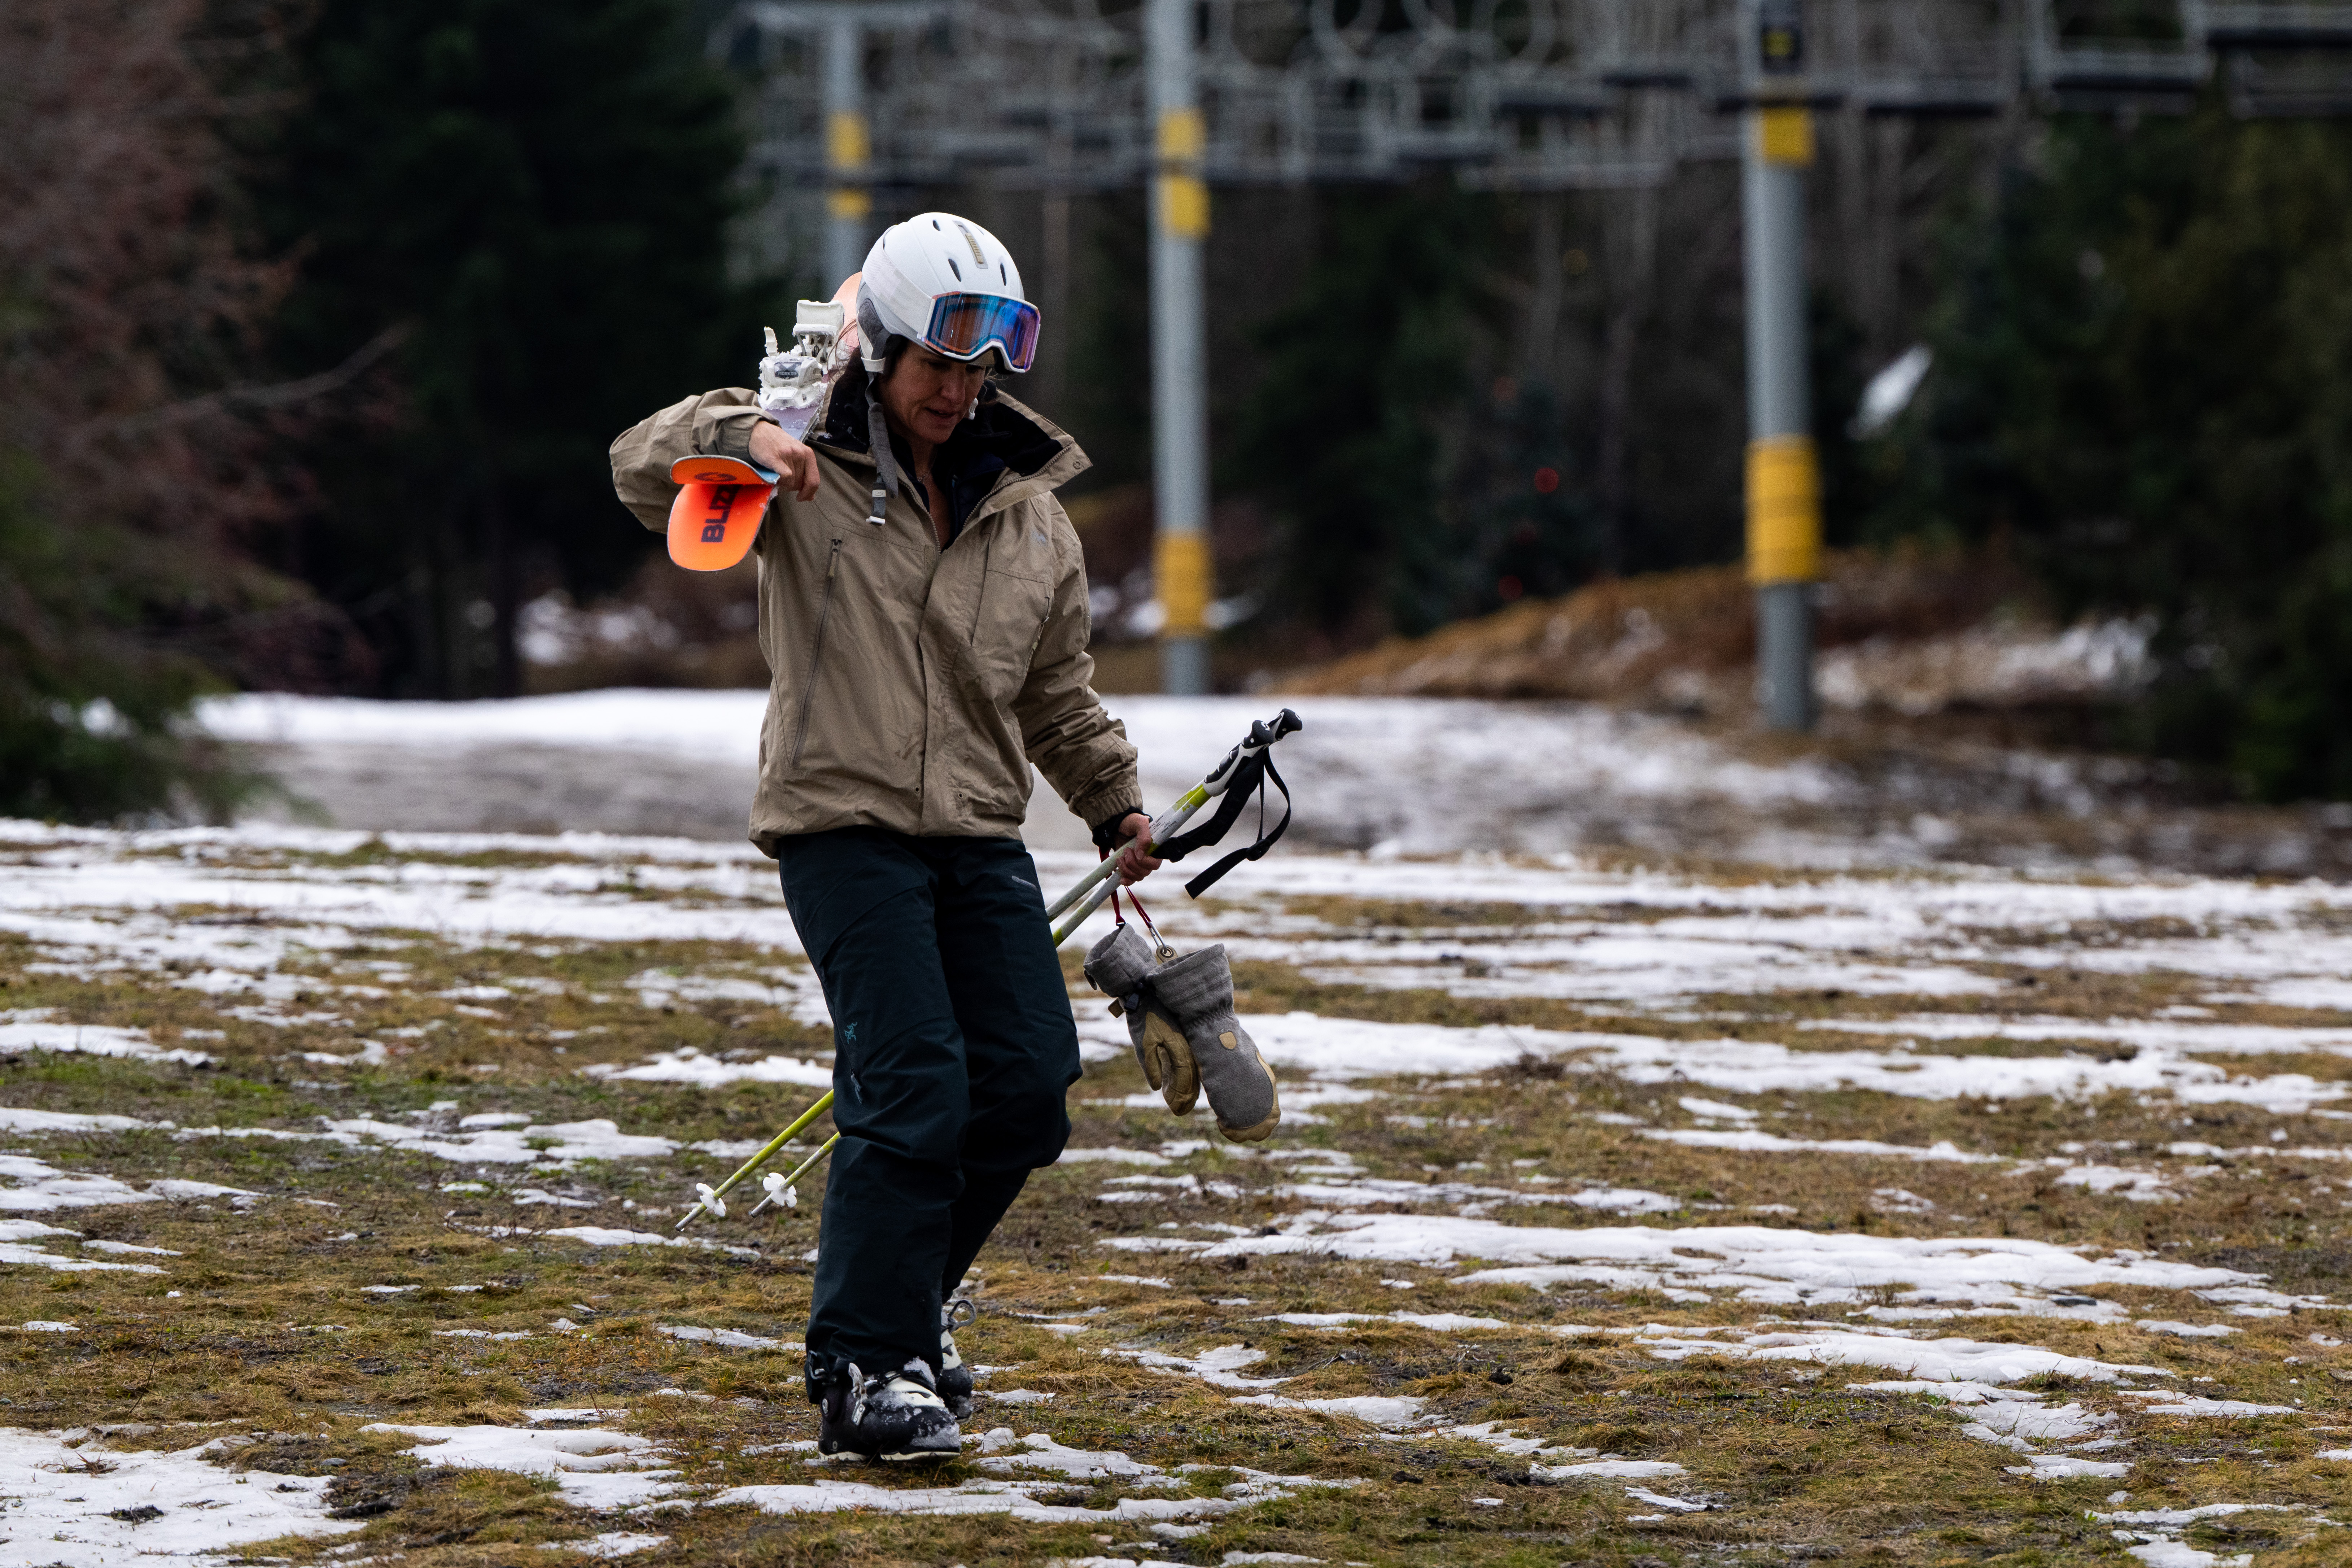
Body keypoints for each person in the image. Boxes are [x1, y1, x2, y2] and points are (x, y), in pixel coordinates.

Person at [608, 213, 1160, 1458]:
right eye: (936, 366)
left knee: (1026, 1087)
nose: (958, 392)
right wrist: (743, 435)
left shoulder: (1031, 515)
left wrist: (1115, 802)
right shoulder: (803, 462)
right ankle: (864, 1367)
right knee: (914, 1082)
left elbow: (1056, 696)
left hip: (977, 830)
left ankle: (909, 1310)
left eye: (980, 370)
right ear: (884, 350)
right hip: (841, 823)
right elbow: (639, 466)